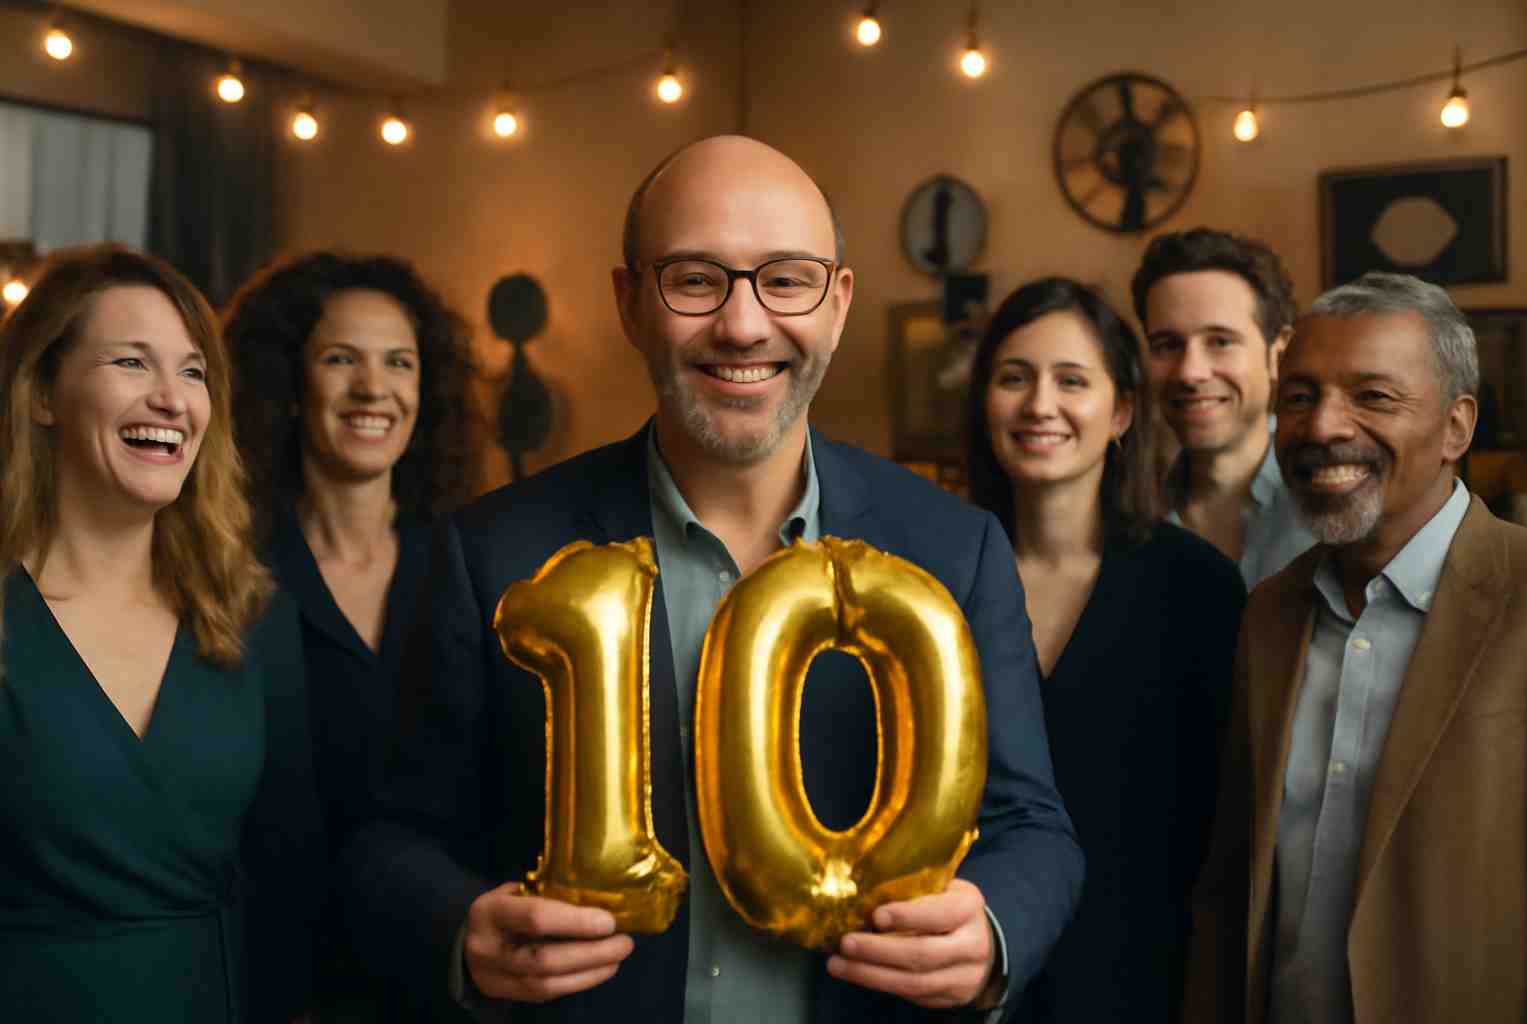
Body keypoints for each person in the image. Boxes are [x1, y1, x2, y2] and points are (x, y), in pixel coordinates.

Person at [343, 135, 1084, 1022]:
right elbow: (388, 836)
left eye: (787, 278)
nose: (743, 324)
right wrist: (458, 930)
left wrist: (993, 930)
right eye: (696, 279)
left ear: (838, 304)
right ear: (629, 302)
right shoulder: (487, 552)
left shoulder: (954, 549)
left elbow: (1032, 828)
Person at [1183, 272, 1527, 1024]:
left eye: (1372, 396)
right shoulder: (1270, 614)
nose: (1322, 428)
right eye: (1301, 397)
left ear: (1456, 428)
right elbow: (1232, 879)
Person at [0, 244, 322, 1022]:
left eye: (192, 371)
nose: (173, 400)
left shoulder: (250, 615)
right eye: (132, 363)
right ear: (43, 390)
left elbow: (293, 878)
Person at [966, 277, 1245, 1022]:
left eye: (1072, 381)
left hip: (1141, 985)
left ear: (1121, 410)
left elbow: (1223, 835)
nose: (1039, 406)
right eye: (1013, 378)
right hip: (966, 982)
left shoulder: (1199, 588)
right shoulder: (932, 578)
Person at [224, 252, 478, 1020]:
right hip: (275, 988)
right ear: (291, 386)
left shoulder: (474, 563)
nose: (374, 389)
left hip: (446, 984)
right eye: (341, 359)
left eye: (399, 363)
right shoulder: (229, 571)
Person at [1132, 228, 1315, 589]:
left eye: (1220, 341)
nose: (1190, 372)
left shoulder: (1338, 499)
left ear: (1280, 355)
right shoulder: (1131, 515)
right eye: (1167, 345)